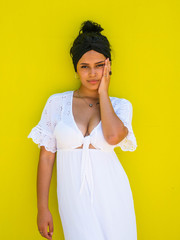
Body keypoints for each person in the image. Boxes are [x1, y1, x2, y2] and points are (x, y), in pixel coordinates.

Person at [27, 20, 138, 240]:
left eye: (99, 65)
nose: (93, 73)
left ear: (109, 66)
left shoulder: (120, 106)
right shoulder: (56, 103)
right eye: (84, 67)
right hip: (73, 199)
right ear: (76, 70)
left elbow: (113, 136)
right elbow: (47, 158)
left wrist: (103, 94)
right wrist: (42, 208)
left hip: (114, 197)